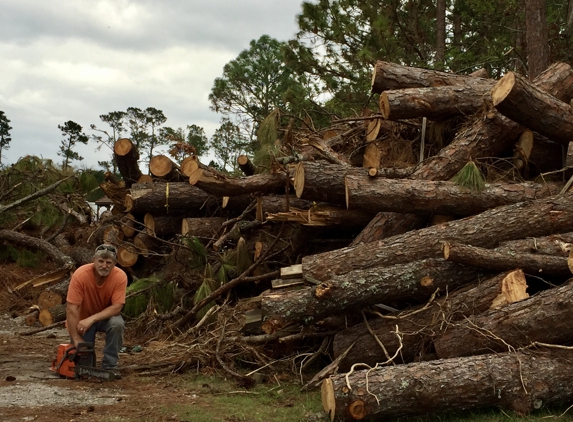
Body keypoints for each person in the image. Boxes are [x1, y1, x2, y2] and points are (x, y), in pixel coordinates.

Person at [66, 244, 127, 372]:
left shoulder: (120, 276)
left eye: (108, 262)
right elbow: (72, 309)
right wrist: (76, 338)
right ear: (94, 260)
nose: (104, 266)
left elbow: (117, 307)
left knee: (117, 324)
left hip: (105, 318)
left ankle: (110, 365)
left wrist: (92, 319)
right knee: (84, 363)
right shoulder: (80, 275)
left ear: (115, 263)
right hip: (82, 320)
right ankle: (86, 362)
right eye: (101, 261)